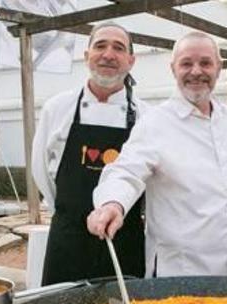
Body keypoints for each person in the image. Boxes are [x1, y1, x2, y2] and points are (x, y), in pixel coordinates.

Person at [87, 32, 227, 277]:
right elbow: (126, 170)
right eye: (186, 63)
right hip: (180, 270)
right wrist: (112, 203)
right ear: (173, 69)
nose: (196, 71)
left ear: (219, 68)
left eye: (205, 63)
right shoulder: (156, 122)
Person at [32, 21, 148, 285]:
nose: (108, 54)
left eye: (118, 48)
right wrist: (68, 211)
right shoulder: (56, 108)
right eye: (100, 46)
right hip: (68, 239)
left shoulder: (146, 116)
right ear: (86, 56)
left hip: (124, 241)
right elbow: (41, 171)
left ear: (131, 60)